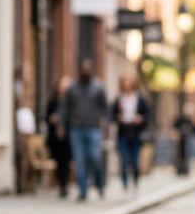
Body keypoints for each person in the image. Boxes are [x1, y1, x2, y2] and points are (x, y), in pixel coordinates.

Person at [57, 59, 109, 201]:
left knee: (94, 157)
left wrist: (106, 125)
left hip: (93, 129)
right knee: (80, 161)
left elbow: (105, 108)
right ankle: (83, 190)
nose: (86, 71)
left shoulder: (98, 87)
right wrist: (61, 125)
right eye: (83, 68)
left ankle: (99, 184)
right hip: (77, 129)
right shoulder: (72, 88)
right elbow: (65, 108)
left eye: (88, 68)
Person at [113, 74, 150, 190]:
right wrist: (117, 118)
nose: (127, 84)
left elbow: (148, 115)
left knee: (134, 160)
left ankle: (135, 181)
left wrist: (140, 119)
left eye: (129, 82)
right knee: (123, 160)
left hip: (135, 133)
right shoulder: (119, 98)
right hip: (123, 131)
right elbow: (112, 113)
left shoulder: (140, 99)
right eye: (125, 82)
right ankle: (124, 184)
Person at [45, 76, 72, 198]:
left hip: (68, 136)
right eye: (63, 85)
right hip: (55, 137)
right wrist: (52, 119)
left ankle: (64, 184)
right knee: (58, 161)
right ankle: (60, 183)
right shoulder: (53, 101)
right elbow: (46, 116)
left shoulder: (72, 102)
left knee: (65, 161)